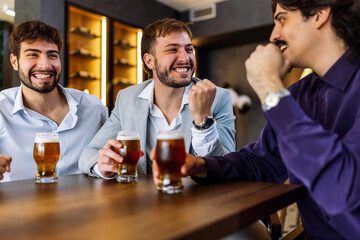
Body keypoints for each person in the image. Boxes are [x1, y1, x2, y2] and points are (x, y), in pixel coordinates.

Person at [151, 0, 360, 239]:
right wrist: (201, 166)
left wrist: (271, 88)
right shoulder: (300, 93)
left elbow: (343, 192)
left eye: (282, 19)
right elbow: (261, 162)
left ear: (319, 15)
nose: (274, 36)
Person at [79, 18, 236, 178]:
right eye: (173, 50)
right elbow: (88, 154)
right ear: (149, 61)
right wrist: (103, 165)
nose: (185, 58)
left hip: (196, 199)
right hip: (143, 200)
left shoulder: (218, 97)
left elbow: (226, 167)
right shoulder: (127, 98)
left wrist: (203, 120)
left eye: (189, 50)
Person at [0, 21, 108, 182]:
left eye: (52, 55)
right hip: (20, 205)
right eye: (32, 54)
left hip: (84, 205)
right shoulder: (2, 109)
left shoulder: (94, 107)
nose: (45, 65)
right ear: (14, 61)